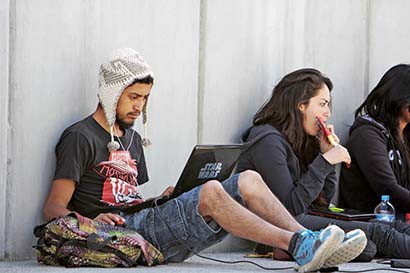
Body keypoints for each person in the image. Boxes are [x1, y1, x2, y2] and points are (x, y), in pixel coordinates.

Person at [42, 48, 364, 272]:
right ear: (111, 93)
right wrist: (94, 219)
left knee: (248, 179)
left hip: (142, 224)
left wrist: (164, 198)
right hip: (121, 236)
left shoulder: (133, 139)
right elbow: (53, 209)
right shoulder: (81, 137)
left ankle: (308, 241)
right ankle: (297, 244)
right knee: (211, 191)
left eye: (145, 98)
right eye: (133, 97)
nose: (139, 106)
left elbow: (128, 198)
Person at [237, 68, 410, 259]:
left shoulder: (298, 139)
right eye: (322, 104)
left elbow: (322, 202)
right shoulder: (267, 140)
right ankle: (286, 248)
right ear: (300, 104)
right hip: (285, 226)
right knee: (378, 235)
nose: (327, 113)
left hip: (305, 218)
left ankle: (298, 250)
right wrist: (325, 161)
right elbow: (289, 209)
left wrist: (324, 153)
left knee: (387, 231)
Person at [340, 64, 410, 216]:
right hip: (371, 223)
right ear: (400, 98)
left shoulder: (405, 133)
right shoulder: (367, 134)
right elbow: (388, 188)